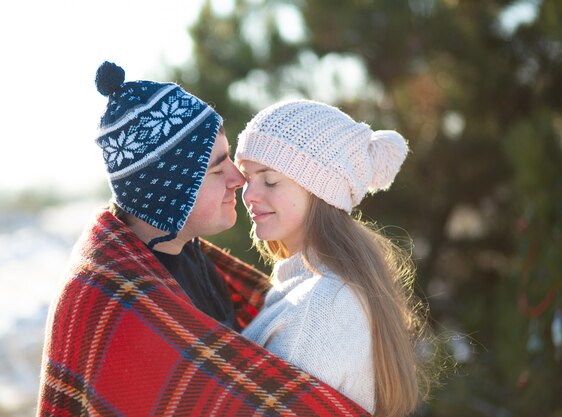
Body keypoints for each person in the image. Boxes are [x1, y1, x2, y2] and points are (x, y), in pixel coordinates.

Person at [36, 62, 371, 416]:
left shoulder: (192, 256)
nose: (237, 179)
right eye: (216, 169)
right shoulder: (112, 304)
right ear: (169, 194)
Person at [235, 99, 431, 417]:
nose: (248, 195)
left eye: (269, 180)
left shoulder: (321, 304)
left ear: (319, 189)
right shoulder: (311, 286)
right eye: (247, 178)